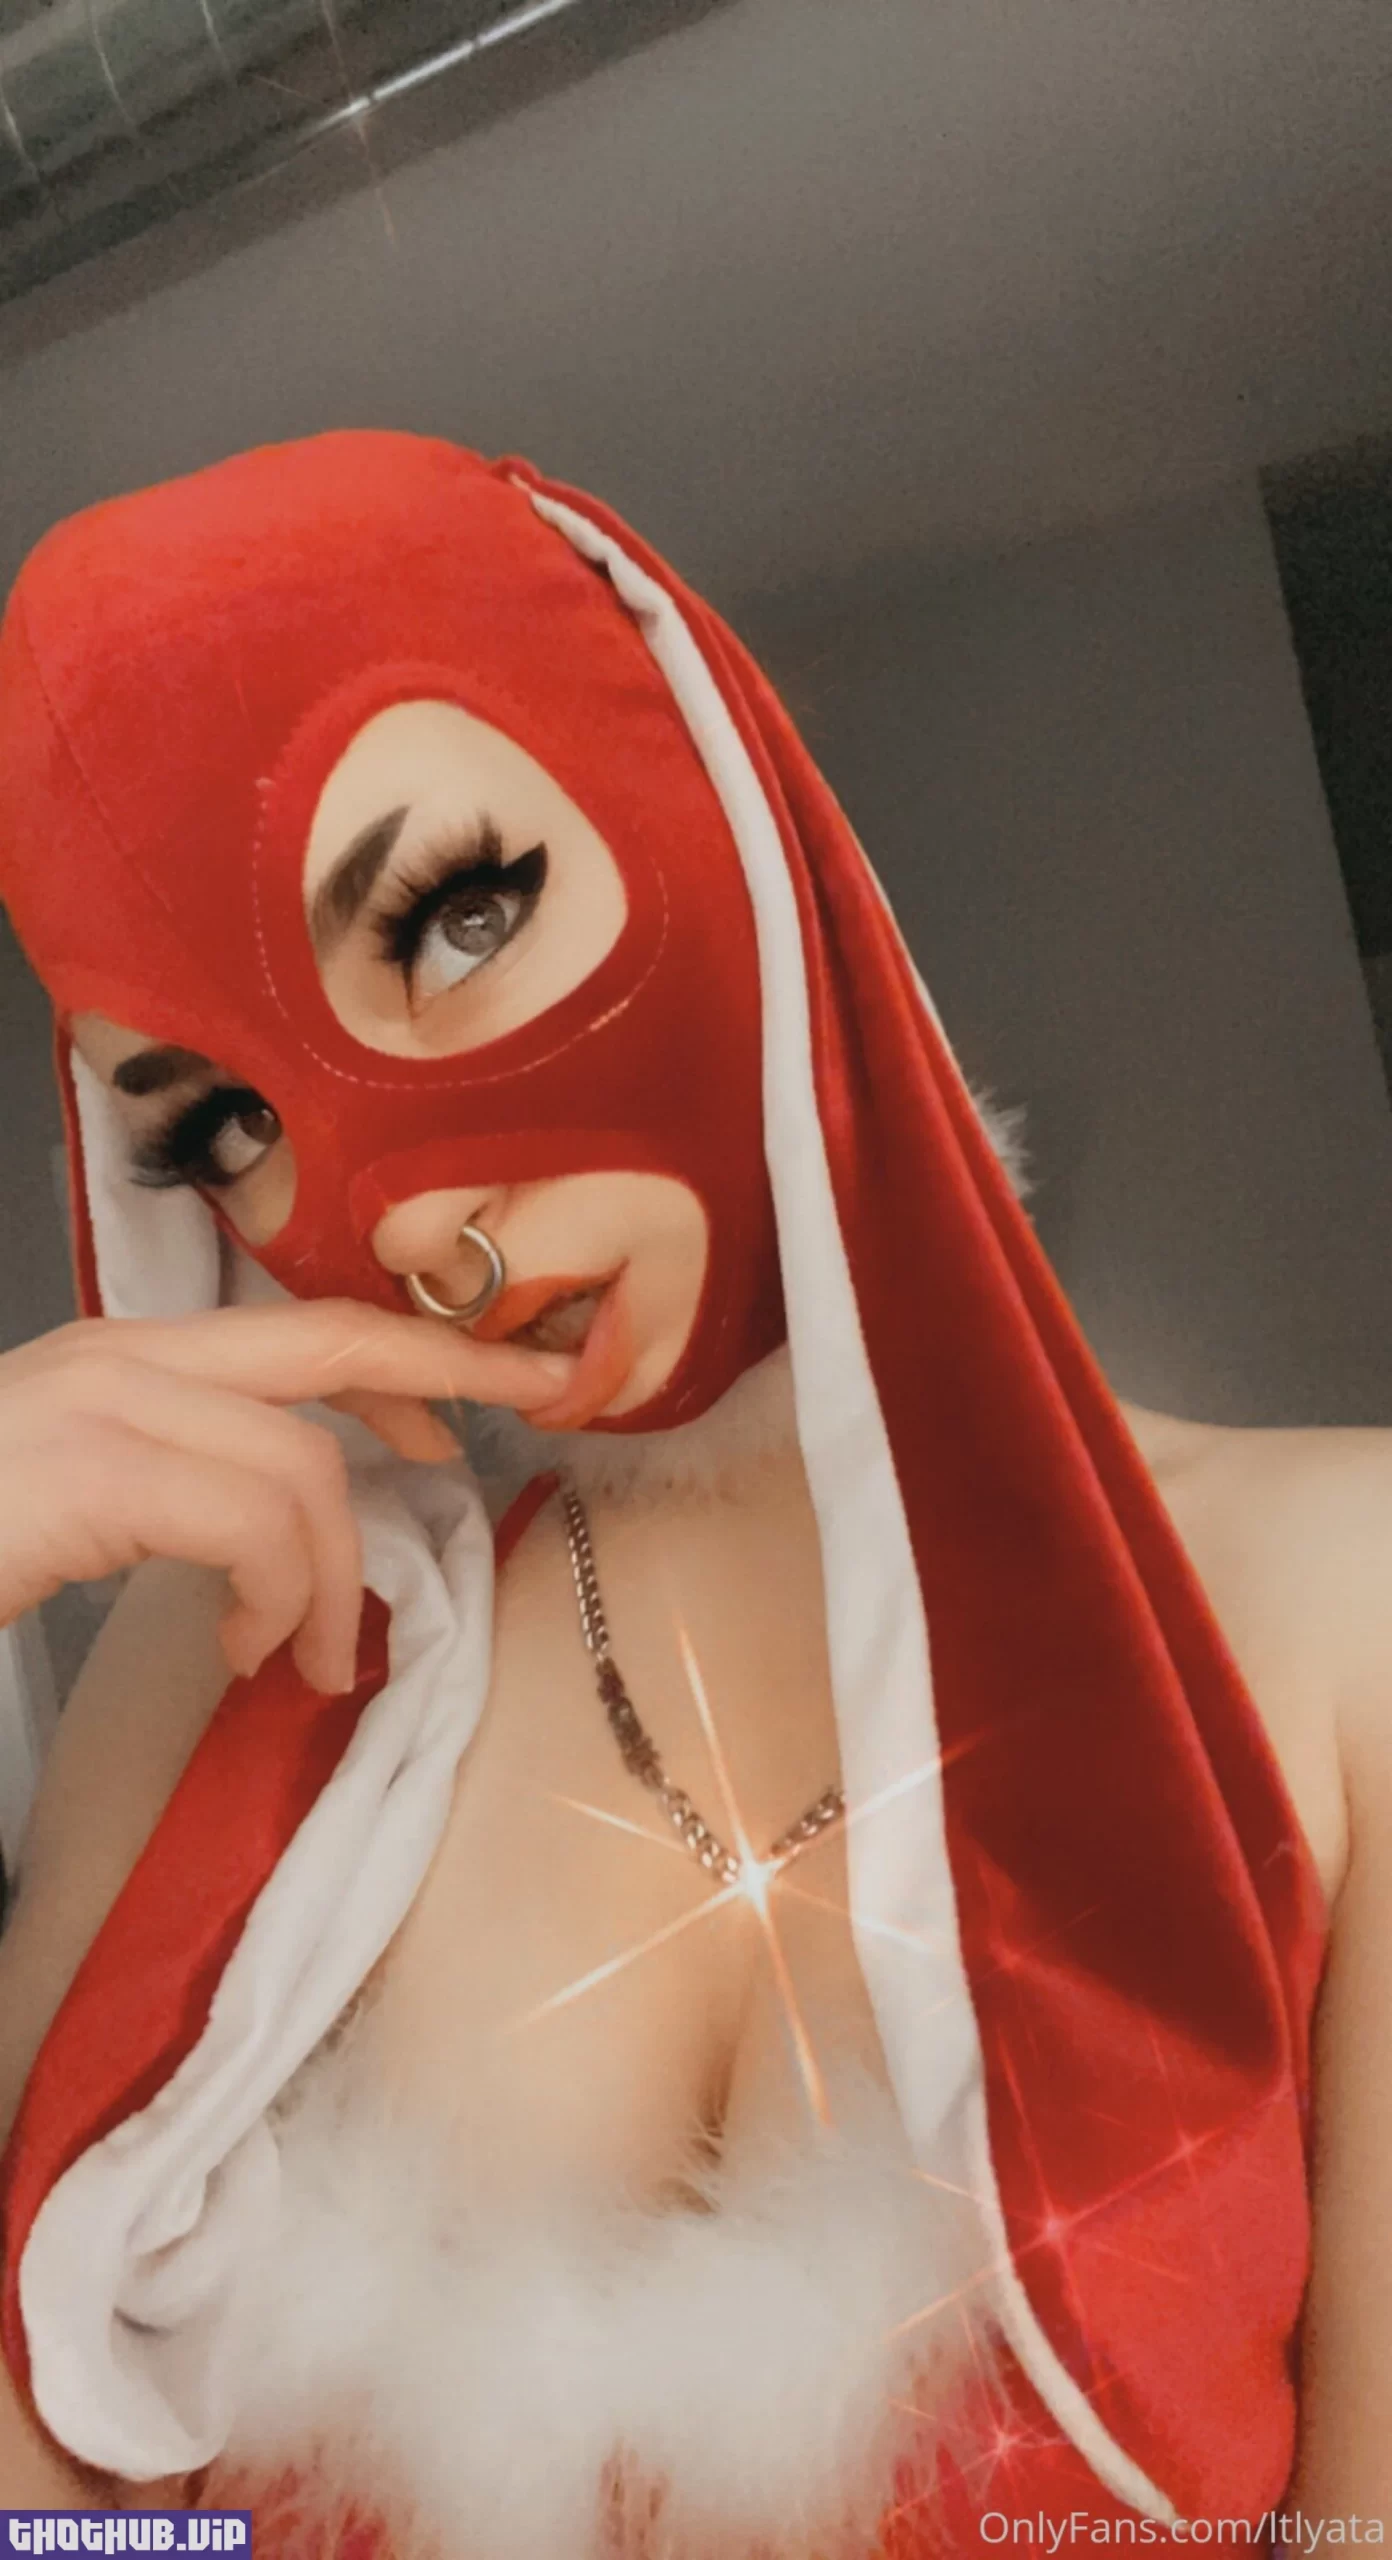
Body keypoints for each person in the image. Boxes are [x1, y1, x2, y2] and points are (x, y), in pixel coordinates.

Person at [0, 432, 1382, 2552]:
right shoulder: (242, 1672)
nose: (404, 1220)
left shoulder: (1337, 1608)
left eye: (456, 916)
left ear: (728, 809)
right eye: (223, 1127)